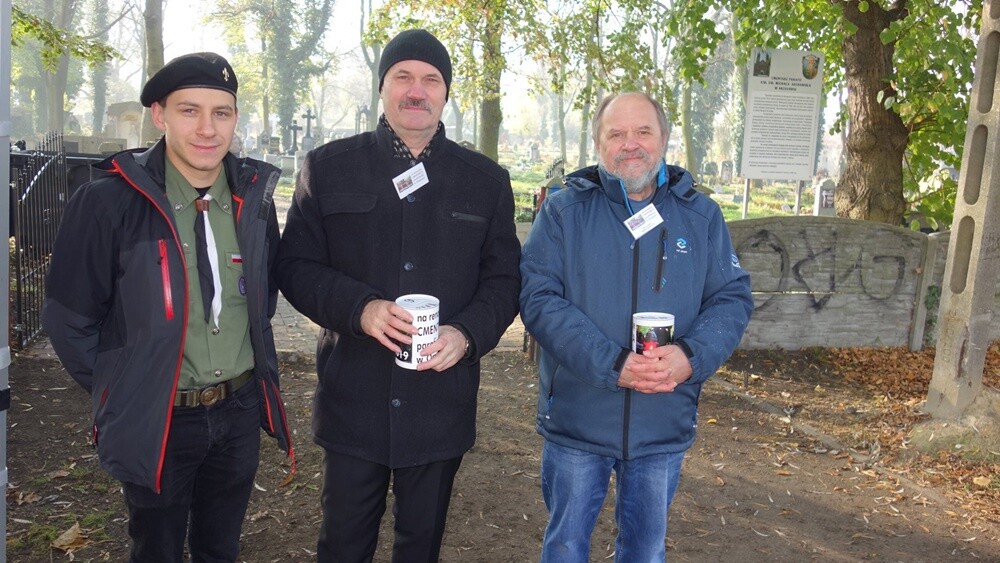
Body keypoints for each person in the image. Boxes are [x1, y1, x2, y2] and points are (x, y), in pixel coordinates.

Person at [275, 29, 521, 562]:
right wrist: (359, 309)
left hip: (440, 404)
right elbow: (294, 266)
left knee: (420, 548)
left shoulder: (485, 181)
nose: (416, 90)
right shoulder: (328, 168)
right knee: (342, 546)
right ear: (382, 87)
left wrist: (467, 335)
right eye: (403, 77)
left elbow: (504, 281)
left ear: (446, 93)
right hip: (353, 400)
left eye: (431, 79)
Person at [42, 52, 293, 562]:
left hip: (238, 411)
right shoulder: (107, 203)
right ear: (159, 115)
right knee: (155, 548)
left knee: (220, 548)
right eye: (189, 110)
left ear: (235, 119)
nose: (207, 128)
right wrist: (129, 387)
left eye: (221, 113)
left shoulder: (252, 201)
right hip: (160, 416)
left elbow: (259, 302)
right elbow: (69, 321)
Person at [519, 92, 753, 562]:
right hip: (580, 416)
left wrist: (690, 357)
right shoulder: (564, 212)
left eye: (643, 131)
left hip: (661, 417)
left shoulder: (701, 216)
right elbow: (539, 299)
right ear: (598, 144)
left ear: (663, 138)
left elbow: (731, 298)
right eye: (617, 134)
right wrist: (613, 364)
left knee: (645, 551)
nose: (631, 144)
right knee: (565, 546)